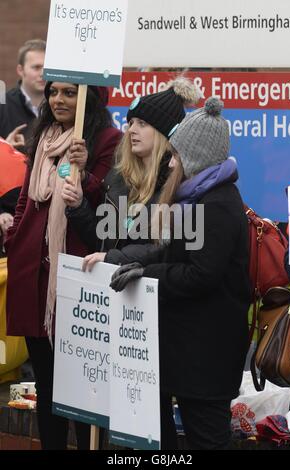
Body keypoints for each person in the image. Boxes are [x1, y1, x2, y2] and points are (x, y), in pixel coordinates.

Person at [106, 97, 251, 449]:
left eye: (177, 154)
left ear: (196, 157)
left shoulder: (215, 204)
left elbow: (201, 274)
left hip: (207, 355)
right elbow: (175, 254)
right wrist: (140, 264)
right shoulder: (200, 198)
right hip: (192, 352)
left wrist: (148, 274)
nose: (171, 162)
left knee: (207, 439)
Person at [5, 81, 121, 450]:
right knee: (47, 385)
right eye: (54, 91)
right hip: (34, 279)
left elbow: (110, 210)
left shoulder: (107, 141)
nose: (58, 99)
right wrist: (16, 238)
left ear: (91, 97)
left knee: (85, 388)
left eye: (70, 93)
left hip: (76, 280)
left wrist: (85, 174)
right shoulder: (45, 137)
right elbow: (26, 198)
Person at [62, 77, 200, 265]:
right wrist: (79, 206)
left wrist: (114, 258)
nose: (131, 130)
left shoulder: (180, 185)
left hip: (154, 291)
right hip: (113, 289)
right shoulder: (118, 177)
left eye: (142, 124)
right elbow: (102, 242)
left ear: (164, 134)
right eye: (131, 122)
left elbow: (166, 250)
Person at [0, 39, 46, 144]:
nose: (43, 73)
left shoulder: (59, 106)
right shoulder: (2, 106)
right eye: (36, 67)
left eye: (47, 68)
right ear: (20, 70)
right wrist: (6, 149)